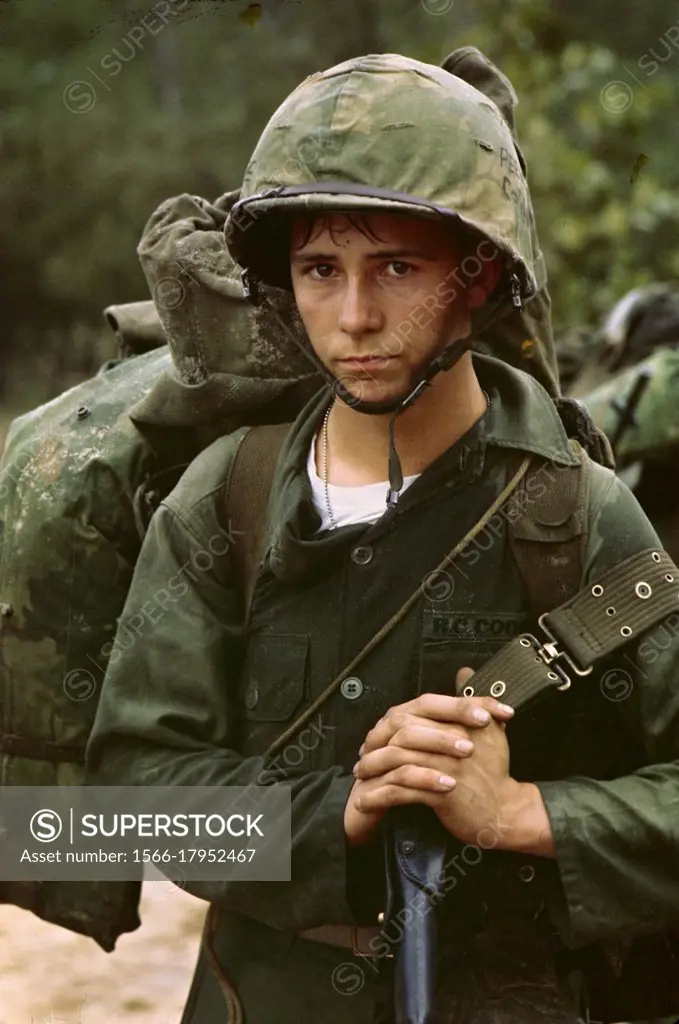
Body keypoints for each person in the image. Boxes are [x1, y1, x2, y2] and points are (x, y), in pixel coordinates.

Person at [85, 53, 679, 1024]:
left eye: (396, 267)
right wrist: (337, 817)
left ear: (478, 276)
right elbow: (123, 810)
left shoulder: (576, 512)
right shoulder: (224, 499)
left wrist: (525, 815)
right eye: (321, 270)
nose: (353, 317)